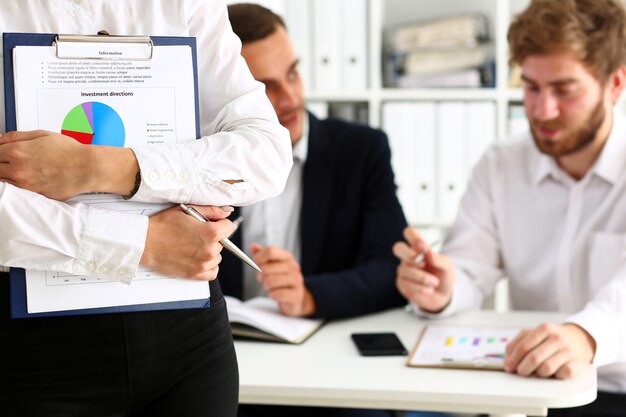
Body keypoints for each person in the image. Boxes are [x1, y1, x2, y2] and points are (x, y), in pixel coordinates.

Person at [0, 1, 291, 416]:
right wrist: (143, 244)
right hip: (30, 350)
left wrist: (100, 168)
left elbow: (266, 156)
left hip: (188, 337)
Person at [393, 1, 626, 416]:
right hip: (527, 387)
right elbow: (468, 267)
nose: (542, 111)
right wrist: (442, 288)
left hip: (615, 388)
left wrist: (584, 336)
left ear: (615, 84)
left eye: (564, 89)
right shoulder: (502, 164)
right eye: (532, 87)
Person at [220, 4, 407, 417]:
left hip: (330, 375)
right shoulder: (199, 166)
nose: (290, 99)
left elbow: (391, 269)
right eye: (265, 87)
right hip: (232, 370)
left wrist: (310, 295)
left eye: (292, 73)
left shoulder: (361, 150)